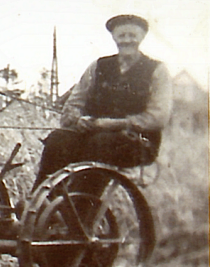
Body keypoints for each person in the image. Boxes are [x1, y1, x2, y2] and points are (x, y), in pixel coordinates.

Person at [31, 14, 172, 190]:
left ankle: (82, 208)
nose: (127, 40)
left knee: (100, 143)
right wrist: (77, 120)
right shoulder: (98, 66)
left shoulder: (157, 70)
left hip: (137, 143)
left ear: (142, 37)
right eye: (122, 36)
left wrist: (112, 124)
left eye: (132, 36)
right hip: (92, 135)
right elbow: (73, 104)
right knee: (58, 140)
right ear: (114, 37)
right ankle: (39, 201)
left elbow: (158, 117)